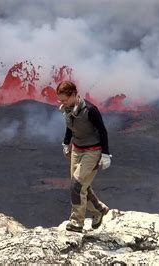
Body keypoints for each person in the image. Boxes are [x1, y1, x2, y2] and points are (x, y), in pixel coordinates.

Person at [56, 81, 111, 232]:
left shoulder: (90, 110)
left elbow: (102, 131)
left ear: (74, 94)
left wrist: (105, 154)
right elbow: (70, 126)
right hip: (77, 149)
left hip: (92, 151)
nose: (62, 103)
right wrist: (66, 143)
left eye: (64, 99)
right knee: (79, 185)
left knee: (77, 184)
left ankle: (77, 222)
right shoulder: (68, 109)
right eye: (60, 100)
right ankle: (98, 210)